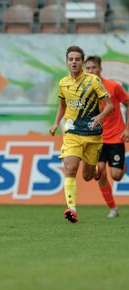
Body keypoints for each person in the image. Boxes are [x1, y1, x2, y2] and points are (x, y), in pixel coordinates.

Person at [49, 46, 113, 223]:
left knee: (87, 176)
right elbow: (62, 105)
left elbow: (109, 105)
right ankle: (72, 209)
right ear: (67, 62)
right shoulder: (63, 83)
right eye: (71, 59)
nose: (74, 62)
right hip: (72, 132)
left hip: (93, 134)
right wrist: (56, 123)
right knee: (70, 168)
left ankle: (98, 170)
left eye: (77, 59)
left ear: (83, 62)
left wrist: (100, 117)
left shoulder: (93, 81)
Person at [85, 55, 129, 218]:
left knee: (116, 176)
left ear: (100, 69)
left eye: (93, 68)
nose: (91, 71)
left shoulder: (113, 87)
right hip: (96, 139)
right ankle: (113, 208)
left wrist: (127, 129)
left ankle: (121, 166)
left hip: (116, 137)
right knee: (100, 171)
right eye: (87, 68)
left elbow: (127, 103)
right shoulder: (83, 91)